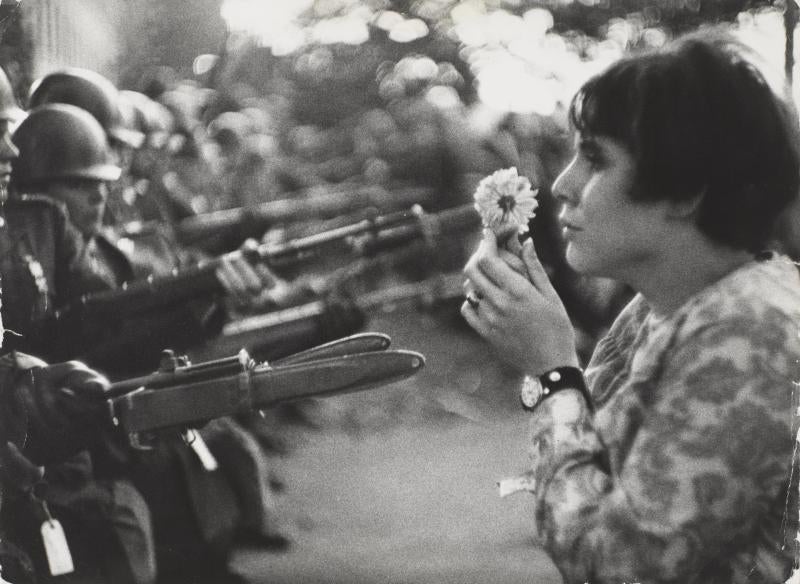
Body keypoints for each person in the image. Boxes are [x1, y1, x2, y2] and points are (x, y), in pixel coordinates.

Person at [462, 30, 800, 583]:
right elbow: (592, 467)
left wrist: (550, 372)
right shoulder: (662, 306)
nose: (564, 185)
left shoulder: (751, 331)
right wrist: (545, 355)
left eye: (594, 158)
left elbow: (617, 564)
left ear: (687, 190)